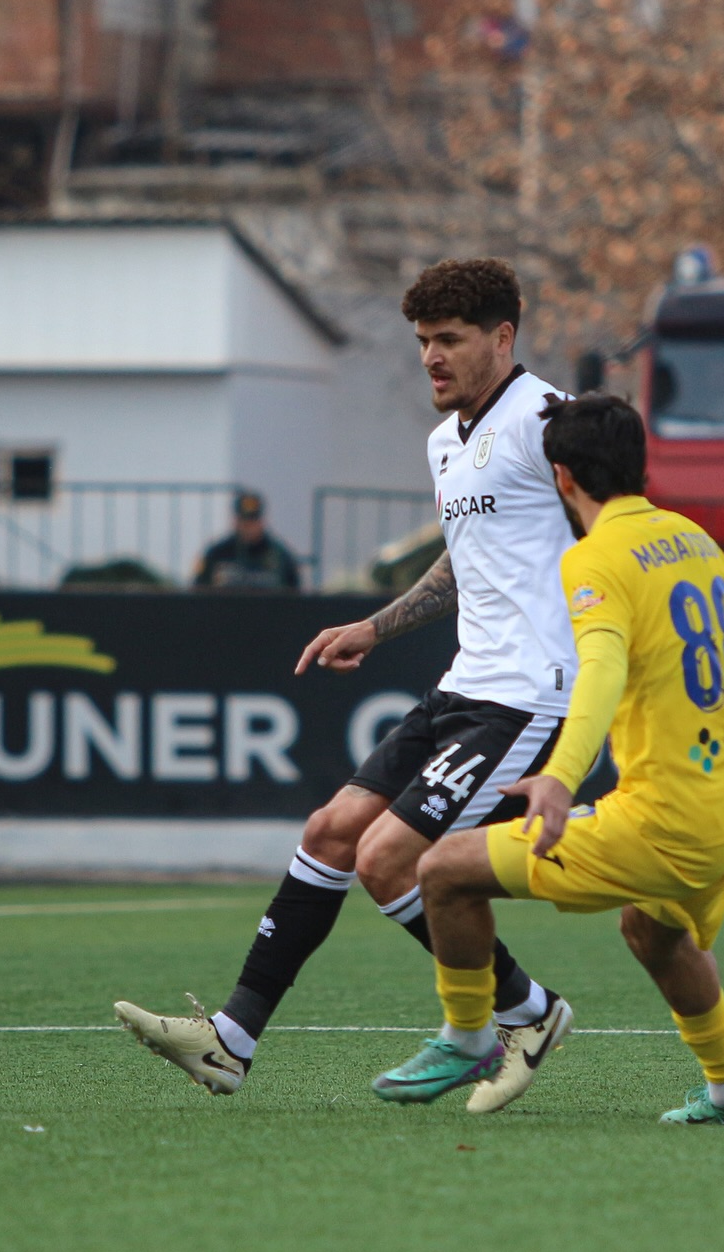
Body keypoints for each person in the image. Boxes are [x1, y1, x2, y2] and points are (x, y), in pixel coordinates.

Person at [116, 257, 580, 1113]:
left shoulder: (549, 422)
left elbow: (614, 524)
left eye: (450, 340)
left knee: (387, 860)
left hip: (530, 698)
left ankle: (508, 1019)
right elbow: (463, 559)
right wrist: (376, 626)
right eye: (422, 343)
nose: (431, 358)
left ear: (503, 337)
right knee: (332, 833)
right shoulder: (447, 442)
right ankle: (232, 1040)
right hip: (462, 687)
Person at [373, 394, 724, 1126]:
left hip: (670, 819)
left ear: (562, 477)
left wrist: (559, 780)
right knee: (652, 930)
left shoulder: (593, 557)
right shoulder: (693, 538)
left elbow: (598, 674)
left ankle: (469, 1037)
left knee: (441, 870)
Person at [193, 492, 301, 592]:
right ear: (235, 520)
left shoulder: (280, 556)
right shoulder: (217, 553)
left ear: (262, 521)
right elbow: (199, 589)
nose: (248, 526)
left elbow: (294, 595)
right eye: (244, 521)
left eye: (253, 521)